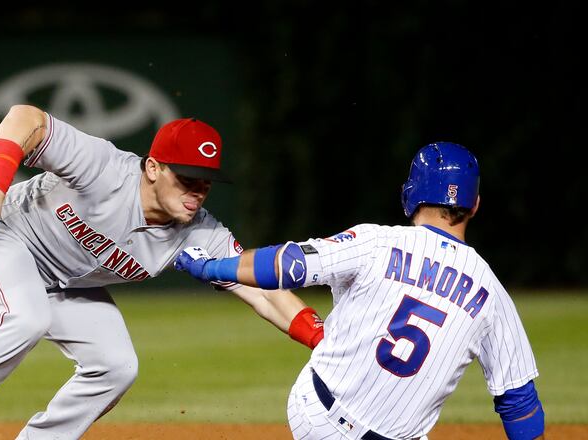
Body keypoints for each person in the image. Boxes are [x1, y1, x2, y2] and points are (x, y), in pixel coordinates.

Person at [0, 105, 325, 440]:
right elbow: (24, 118)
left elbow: (263, 290)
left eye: (206, 182)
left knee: (116, 365)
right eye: (187, 178)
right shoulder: (104, 167)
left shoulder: (200, 232)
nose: (197, 191)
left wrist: (322, 339)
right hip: (2, 235)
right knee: (25, 319)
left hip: (63, 283)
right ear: (154, 168)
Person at [175, 142, 545, 440]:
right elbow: (519, 402)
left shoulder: (375, 242)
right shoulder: (491, 292)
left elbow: (289, 264)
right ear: (475, 205)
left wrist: (212, 267)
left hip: (314, 416)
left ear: (410, 193)